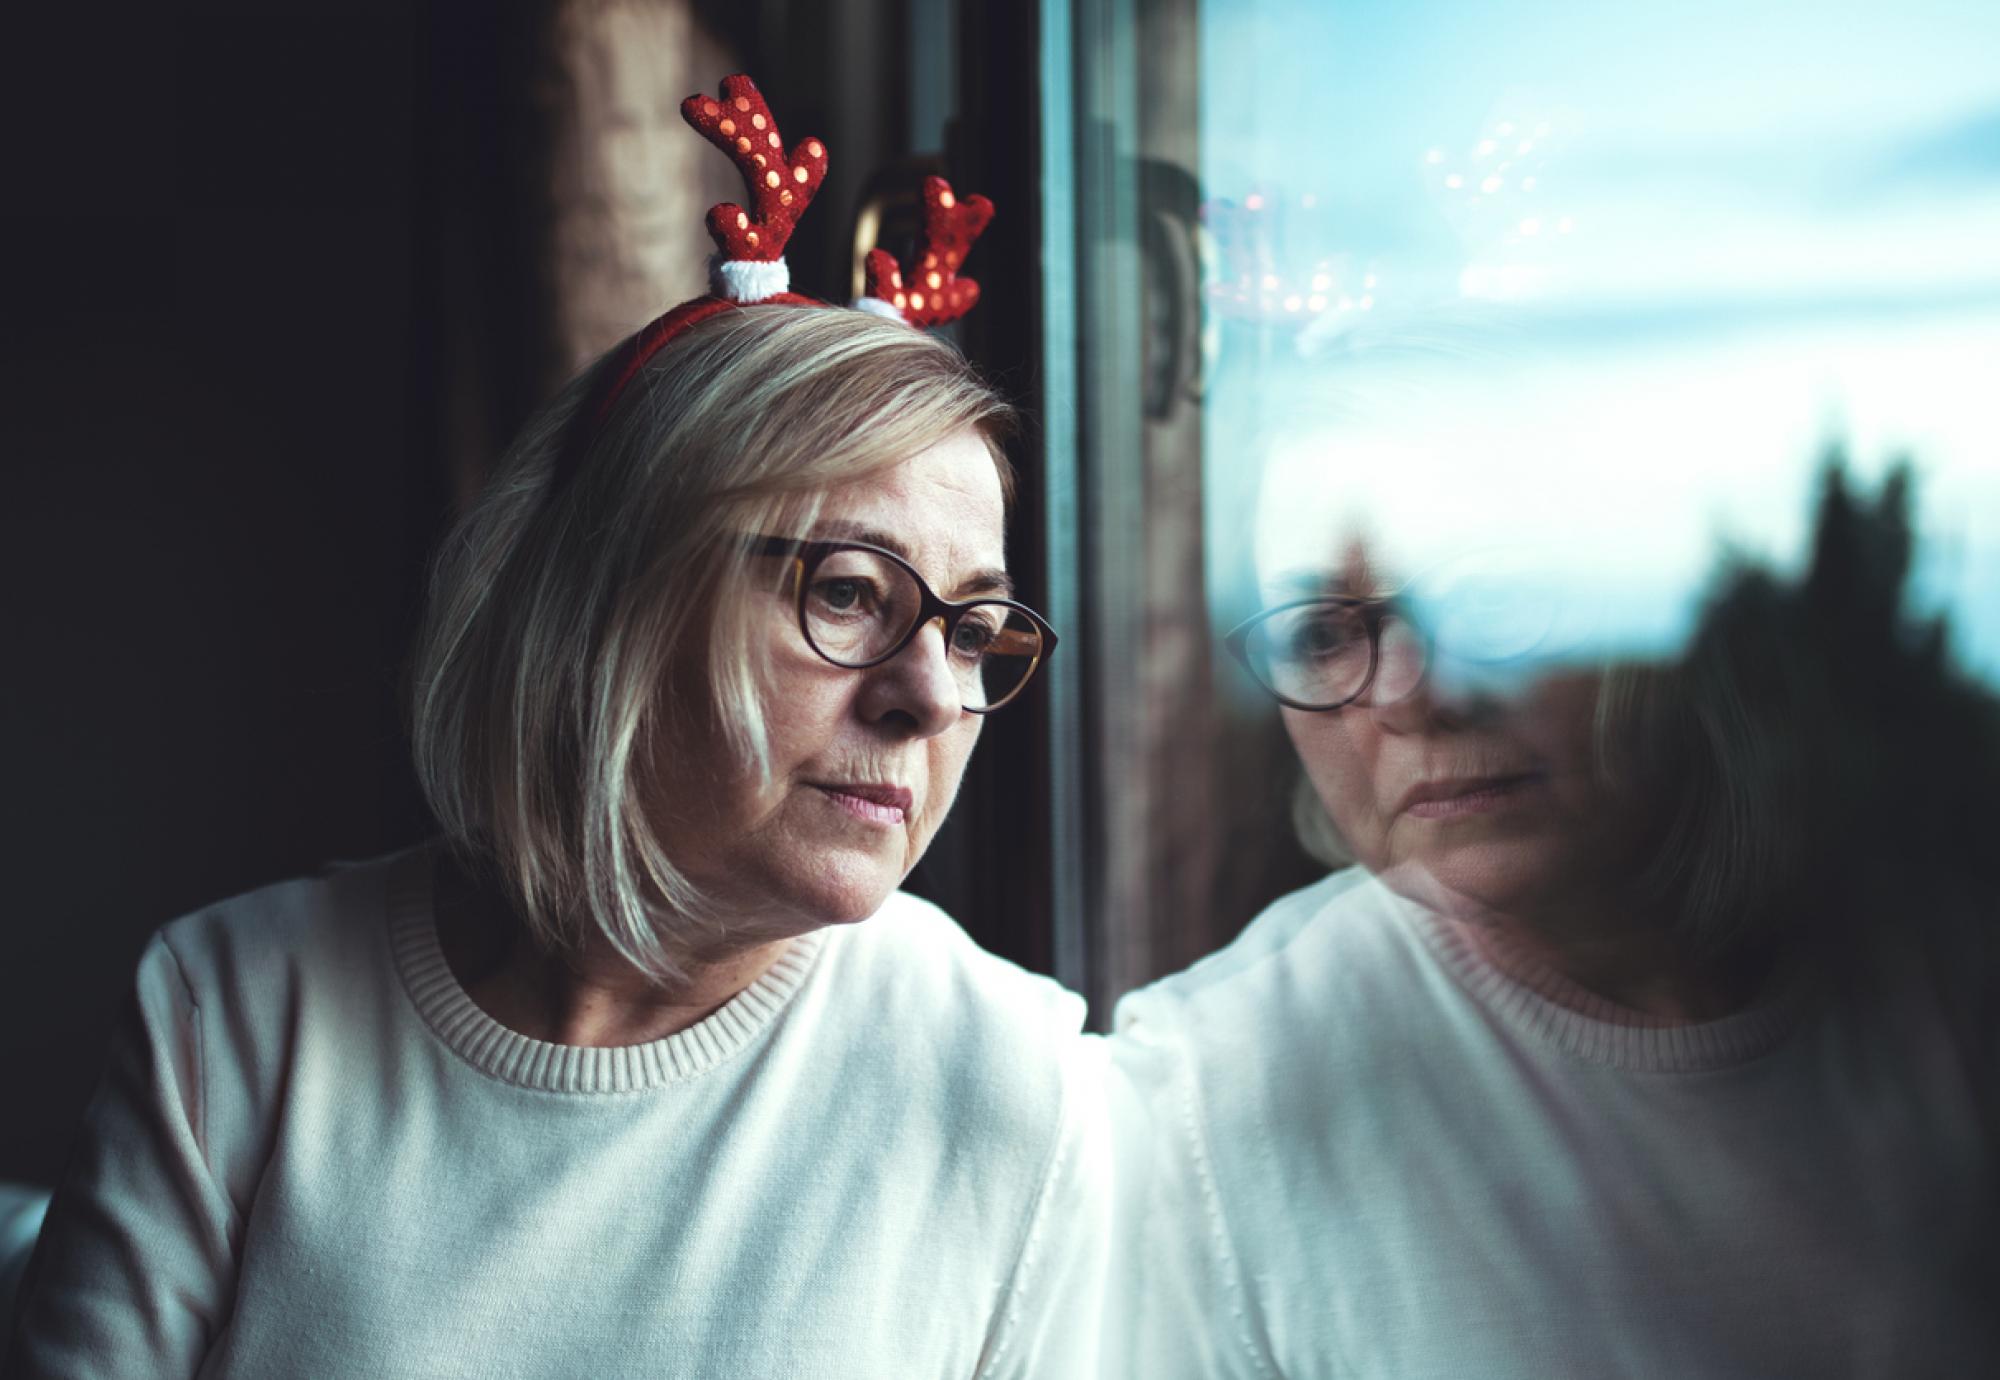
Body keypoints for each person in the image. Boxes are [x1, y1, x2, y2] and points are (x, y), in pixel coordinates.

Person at [10, 77, 1107, 1379]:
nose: (930, 695)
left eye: (975, 631)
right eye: (848, 592)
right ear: (606, 603)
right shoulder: (235, 1014)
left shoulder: (1022, 1095)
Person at [1107, 462, 1998, 1377]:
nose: (1418, 695)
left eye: (1488, 599)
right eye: (1324, 634)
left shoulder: (1935, 968)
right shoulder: (1207, 1099)